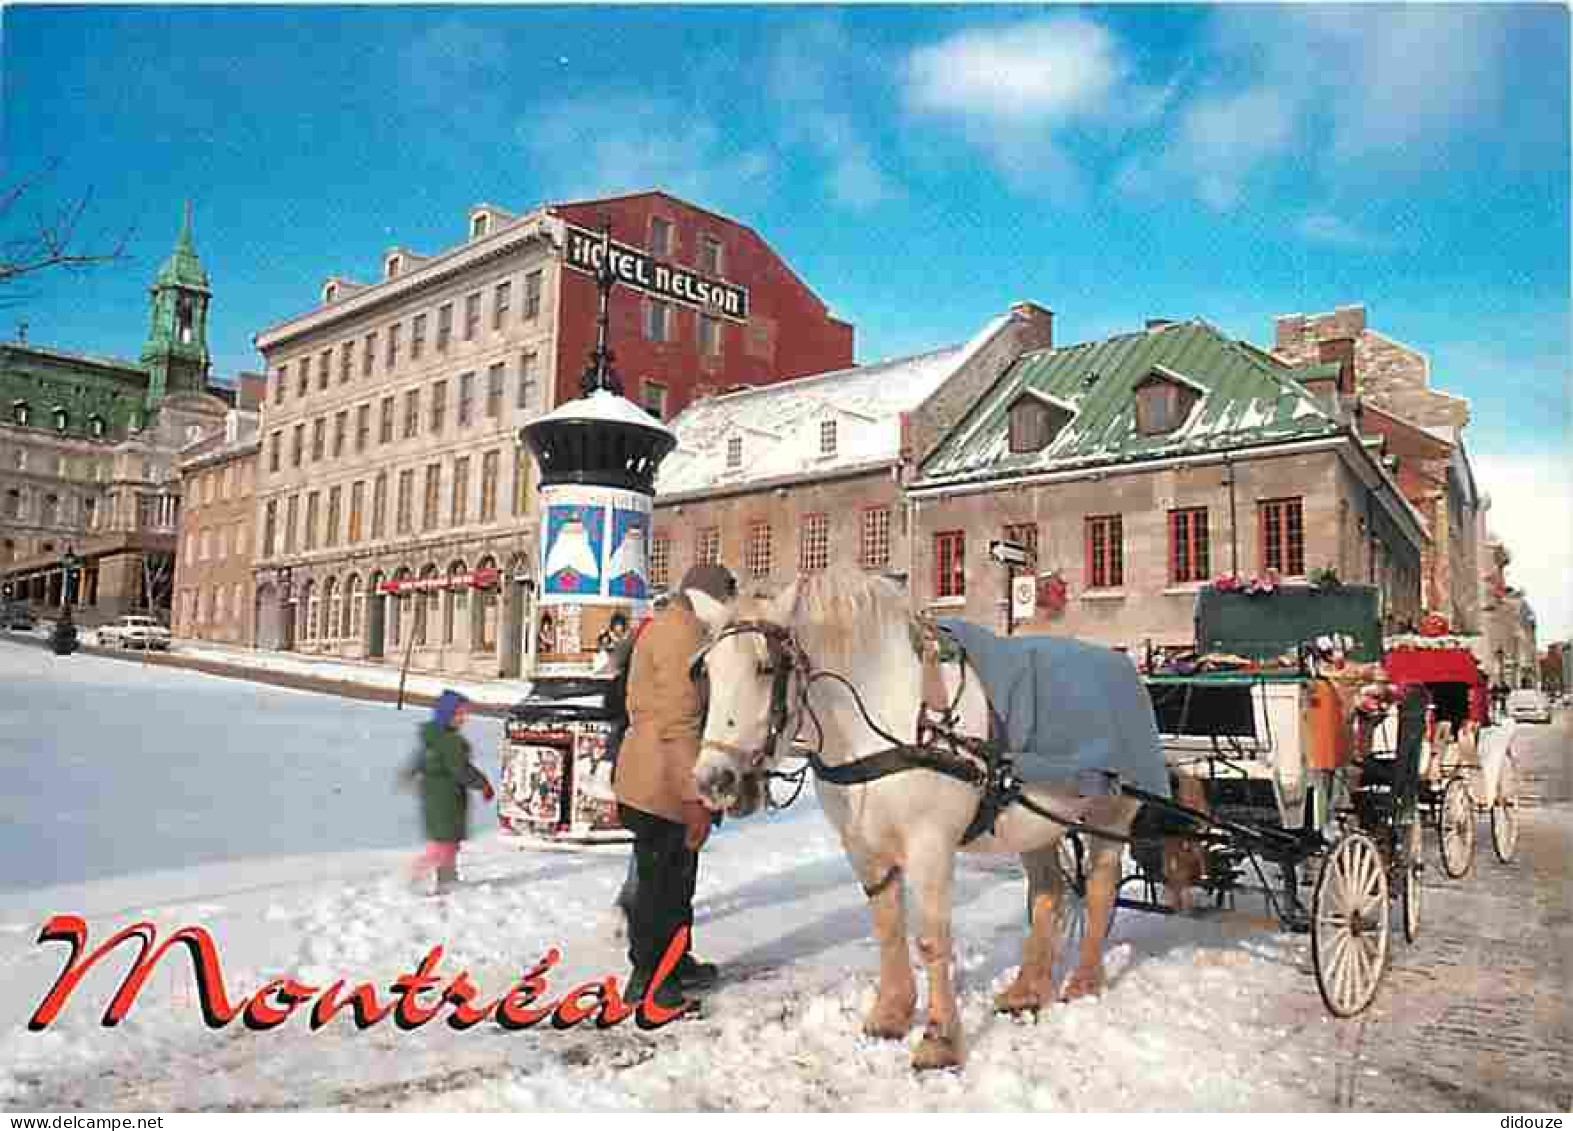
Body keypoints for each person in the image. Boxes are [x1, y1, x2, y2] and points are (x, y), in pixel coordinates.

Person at [614, 563, 737, 1011]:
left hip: (661, 776)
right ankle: (650, 979)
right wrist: (694, 799)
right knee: (658, 886)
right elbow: (679, 724)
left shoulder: (678, 625)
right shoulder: (681, 634)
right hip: (661, 782)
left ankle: (675, 962)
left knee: (677, 879)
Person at [407, 689, 493, 894]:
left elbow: (420, 761)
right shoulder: (450, 742)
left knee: (448, 843)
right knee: (443, 846)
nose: (464, 718)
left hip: (435, 798)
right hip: (446, 801)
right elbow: (461, 769)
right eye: (459, 714)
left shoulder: (434, 738)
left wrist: (410, 773)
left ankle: (448, 879)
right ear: (446, 715)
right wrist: (483, 784)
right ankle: (412, 878)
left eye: (464, 714)